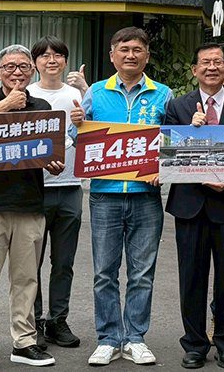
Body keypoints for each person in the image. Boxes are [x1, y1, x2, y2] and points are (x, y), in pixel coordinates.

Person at [70, 27, 173, 366]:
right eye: (124, 49)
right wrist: (76, 122)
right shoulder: (96, 93)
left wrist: (164, 166)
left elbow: (172, 143)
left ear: (147, 55)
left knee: (143, 272)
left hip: (146, 195)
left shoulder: (164, 95)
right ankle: (109, 337)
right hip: (105, 195)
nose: (131, 55)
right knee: (105, 272)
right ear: (112, 54)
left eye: (138, 49)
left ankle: (135, 337)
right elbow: (75, 137)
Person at [0, 45, 65, 371]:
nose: (17, 72)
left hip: (30, 204)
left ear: (32, 71)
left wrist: (53, 164)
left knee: (26, 281)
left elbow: (50, 152)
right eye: (10, 67)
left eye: (23, 66)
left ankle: (24, 342)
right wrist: (6, 104)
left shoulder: (42, 106)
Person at [164, 42, 224, 370]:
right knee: (191, 277)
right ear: (194, 70)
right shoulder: (178, 107)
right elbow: (168, 152)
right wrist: (189, 133)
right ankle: (194, 344)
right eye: (204, 62)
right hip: (190, 203)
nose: (211, 67)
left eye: (217, 62)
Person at [27, 36, 85, 350]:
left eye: (58, 55)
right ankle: (33, 322)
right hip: (34, 189)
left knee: (64, 262)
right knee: (30, 262)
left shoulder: (77, 94)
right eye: (45, 55)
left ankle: (57, 320)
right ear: (35, 62)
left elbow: (90, 135)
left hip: (70, 186)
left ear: (65, 60)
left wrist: (84, 117)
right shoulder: (26, 94)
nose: (52, 60)